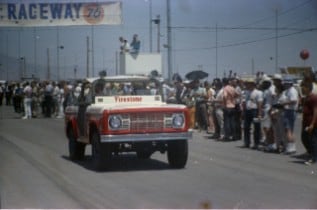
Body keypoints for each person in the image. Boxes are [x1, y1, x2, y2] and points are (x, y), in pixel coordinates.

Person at [242, 78, 263, 149]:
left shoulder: (258, 92)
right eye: (247, 83)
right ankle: (247, 142)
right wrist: (243, 111)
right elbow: (245, 102)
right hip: (248, 110)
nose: (247, 85)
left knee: (256, 128)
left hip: (255, 110)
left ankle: (256, 143)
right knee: (246, 127)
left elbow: (260, 103)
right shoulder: (247, 92)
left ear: (253, 84)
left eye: (248, 84)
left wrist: (259, 113)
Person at [280, 77, 299, 154]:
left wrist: (284, 103)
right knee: (289, 130)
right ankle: (291, 147)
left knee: (288, 129)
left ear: (289, 83)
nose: (284, 84)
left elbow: (294, 101)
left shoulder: (292, 91)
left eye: (286, 83)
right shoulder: (288, 91)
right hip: (287, 111)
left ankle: (290, 148)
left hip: (290, 111)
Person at [300, 81, 317, 165]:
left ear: (308, 88)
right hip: (305, 122)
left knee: (312, 140)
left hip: (311, 123)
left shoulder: (314, 98)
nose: (301, 89)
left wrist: (312, 124)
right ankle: (312, 153)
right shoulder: (306, 97)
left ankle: (313, 158)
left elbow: (315, 111)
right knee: (304, 138)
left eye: (303, 87)